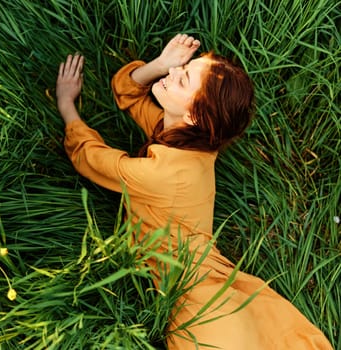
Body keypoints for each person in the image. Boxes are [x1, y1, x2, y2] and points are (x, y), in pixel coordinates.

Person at [55, 33, 334, 349]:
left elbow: (89, 157)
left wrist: (67, 105)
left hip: (194, 289)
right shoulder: (186, 136)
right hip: (203, 276)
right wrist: (163, 63)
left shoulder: (163, 173)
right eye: (185, 66)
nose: (173, 73)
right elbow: (127, 91)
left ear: (194, 116)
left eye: (183, 77)